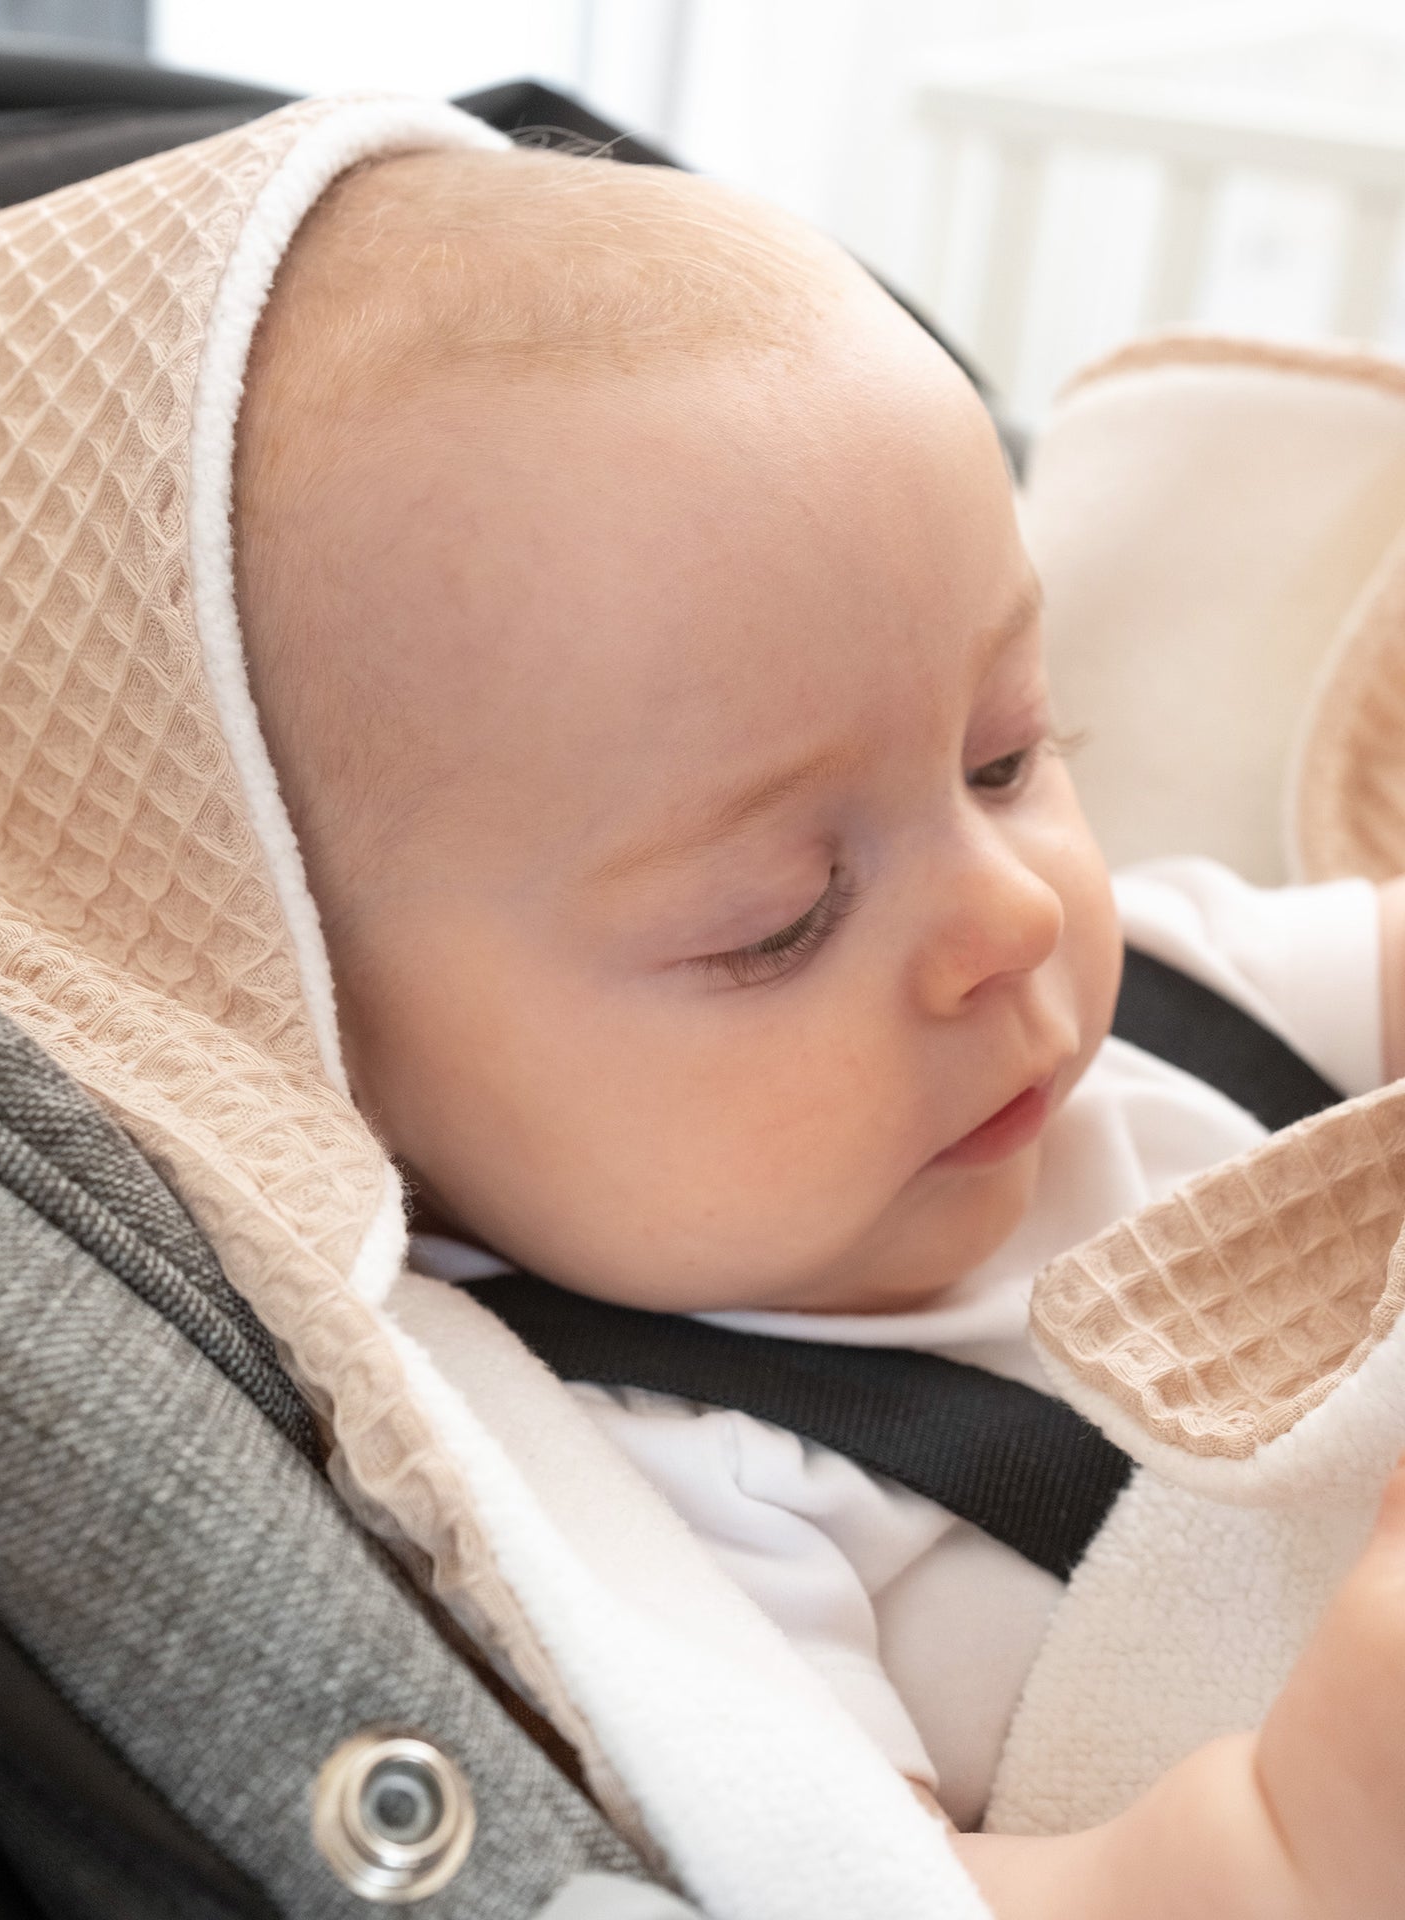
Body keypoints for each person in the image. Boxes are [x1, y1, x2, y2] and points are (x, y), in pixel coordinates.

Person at [232, 142, 1405, 1916]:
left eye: (1006, 755)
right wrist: (1291, 1848)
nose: (1008, 918)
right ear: (322, 1046)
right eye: (780, 919)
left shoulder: (1165, 989)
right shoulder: (655, 1495)